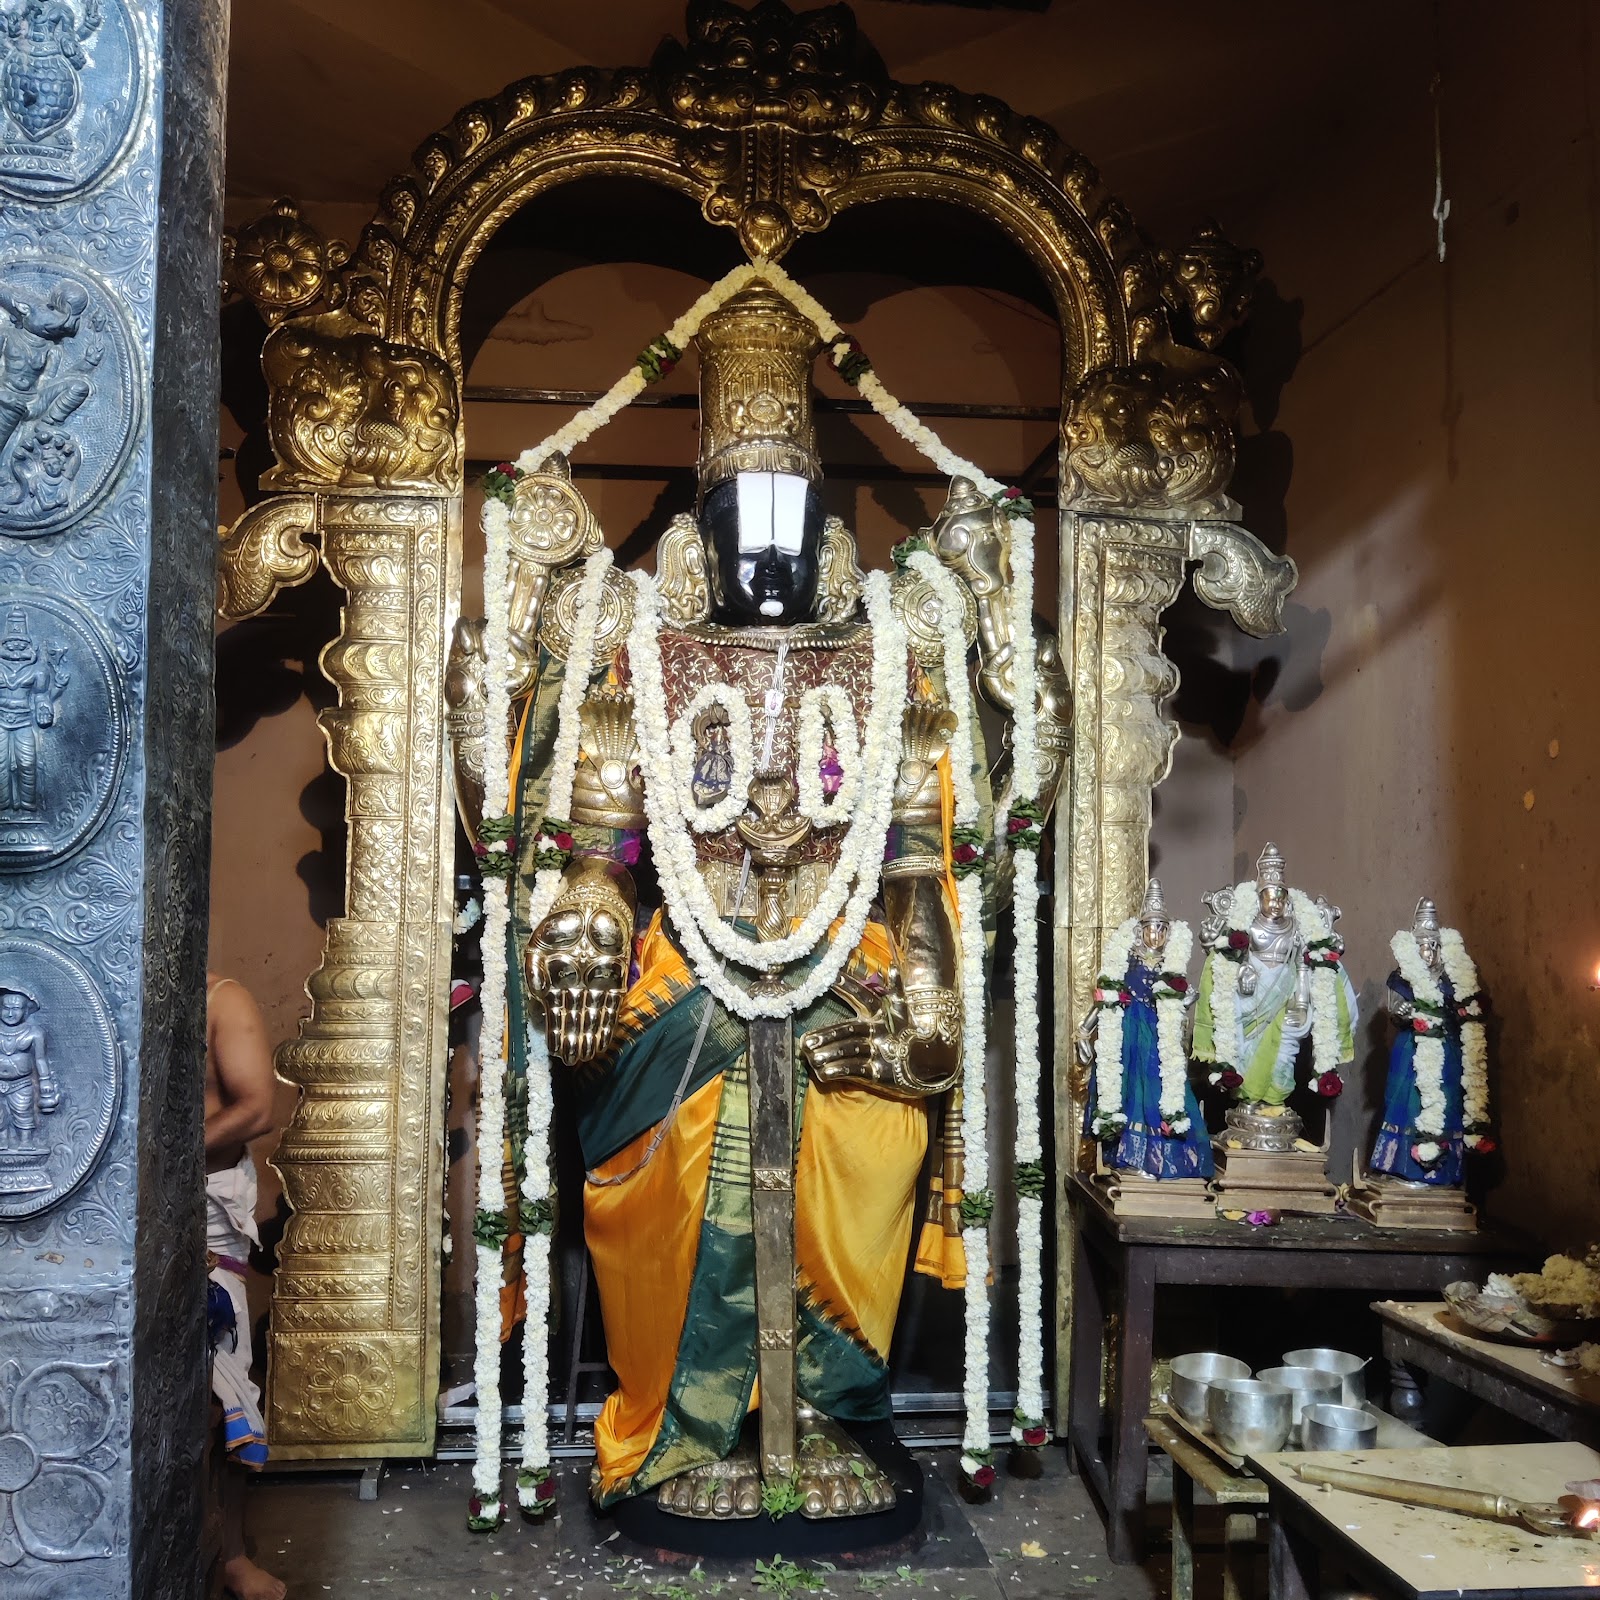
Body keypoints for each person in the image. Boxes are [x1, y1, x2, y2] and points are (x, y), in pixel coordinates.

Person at [204, 972, 285, 1600]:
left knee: (217, 1388)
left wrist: (157, 1156)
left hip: (200, 1205)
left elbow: (257, 1106)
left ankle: (230, 1555)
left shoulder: (221, 997)